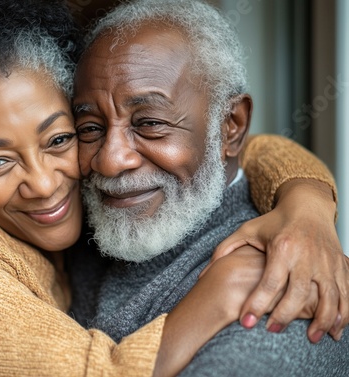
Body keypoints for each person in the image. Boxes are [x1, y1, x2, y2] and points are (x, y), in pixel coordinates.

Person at [0, 0, 345, 376]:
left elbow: (243, 147)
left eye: (61, 137)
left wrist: (308, 206)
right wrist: (208, 302)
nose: (45, 185)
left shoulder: (277, 301)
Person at [68, 0, 349, 375]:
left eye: (149, 122)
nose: (109, 160)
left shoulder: (277, 297)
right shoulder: (64, 228)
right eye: (90, 128)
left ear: (230, 126)